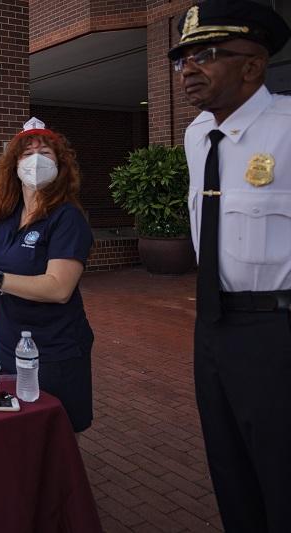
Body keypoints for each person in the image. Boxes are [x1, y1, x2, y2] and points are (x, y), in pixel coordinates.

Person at [168, 2, 291, 531]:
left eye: (207, 55)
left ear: (252, 65)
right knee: (230, 470)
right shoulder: (198, 136)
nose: (189, 69)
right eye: (184, 58)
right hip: (212, 328)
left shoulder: (287, 129)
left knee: (282, 476)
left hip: (277, 331)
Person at [0, 117, 94, 433]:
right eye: (27, 154)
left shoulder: (67, 218)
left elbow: (59, 288)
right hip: (6, 345)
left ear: (61, 164)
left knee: (54, 435)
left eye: (46, 152)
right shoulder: (4, 218)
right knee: (14, 431)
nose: (36, 160)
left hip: (54, 350)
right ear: (14, 165)